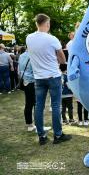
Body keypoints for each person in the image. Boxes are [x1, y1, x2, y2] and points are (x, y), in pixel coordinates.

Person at [26, 13, 72, 145]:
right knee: (56, 105)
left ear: (36, 24)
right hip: (53, 76)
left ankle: (41, 135)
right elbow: (62, 57)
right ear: (47, 24)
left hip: (38, 78)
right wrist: (61, 64)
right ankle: (58, 135)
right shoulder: (52, 39)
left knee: (39, 106)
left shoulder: (29, 38)